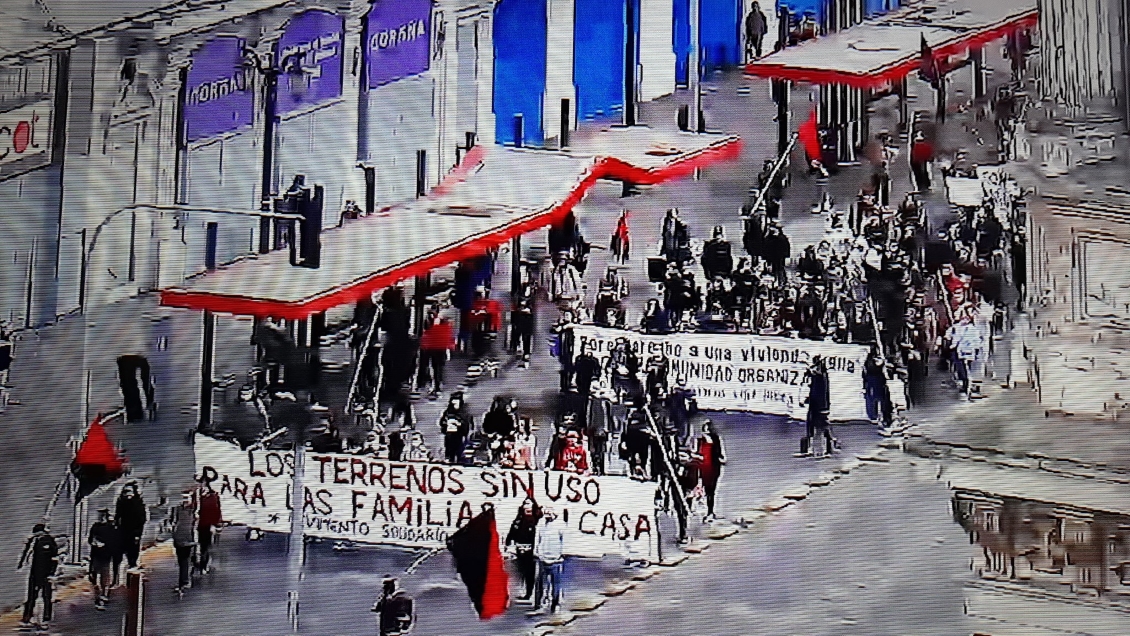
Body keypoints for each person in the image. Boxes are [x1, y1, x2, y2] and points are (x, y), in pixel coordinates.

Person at [19, 523, 59, 627]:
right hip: (34, 572)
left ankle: (46, 618)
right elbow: (28, 554)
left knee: (46, 596)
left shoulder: (49, 541)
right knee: (31, 596)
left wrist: (52, 573)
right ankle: (27, 617)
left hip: (46, 573)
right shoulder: (34, 542)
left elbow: (54, 559)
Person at [506, 498, 543, 603]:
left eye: (528, 504)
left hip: (530, 549)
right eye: (525, 504)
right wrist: (509, 542)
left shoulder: (536, 519)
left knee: (529, 572)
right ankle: (521, 591)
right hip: (519, 548)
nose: (526, 506)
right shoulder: (519, 518)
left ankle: (529, 593)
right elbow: (513, 530)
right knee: (520, 570)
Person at [800, 357, 835, 458]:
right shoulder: (816, 378)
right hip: (814, 405)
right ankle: (810, 447)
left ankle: (828, 447)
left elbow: (821, 393)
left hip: (820, 406)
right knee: (812, 426)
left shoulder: (822, 378)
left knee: (821, 427)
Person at [533, 508, 566, 614]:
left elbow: (565, 540)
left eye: (550, 512)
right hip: (542, 558)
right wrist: (536, 551)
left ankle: (555, 603)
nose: (547, 514)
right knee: (540, 583)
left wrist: (561, 554)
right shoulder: (541, 523)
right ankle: (539, 604)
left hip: (555, 560)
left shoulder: (561, 524)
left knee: (555, 583)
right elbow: (537, 538)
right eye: (546, 512)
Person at [693, 421, 726, 522]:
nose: (707, 434)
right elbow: (696, 453)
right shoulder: (700, 441)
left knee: (711, 491)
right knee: (706, 491)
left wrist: (721, 459)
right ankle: (706, 511)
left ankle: (710, 511)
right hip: (704, 469)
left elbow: (721, 454)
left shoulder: (716, 440)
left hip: (714, 469)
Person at [114, 481, 147, 583]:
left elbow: (142, 519)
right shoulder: (121, 502)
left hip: (134, 533)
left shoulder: (138, 503)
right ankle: (116, 579)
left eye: (129, 492)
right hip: (122, 531)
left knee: (132, 554)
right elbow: (117, 516)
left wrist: (137, 533)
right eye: (125, 492)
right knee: (118, 557)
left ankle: (131, 579)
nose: (127, 494)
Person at [417, 316, 454, 397]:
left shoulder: (433, 329)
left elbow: (426, 337)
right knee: (438, 368)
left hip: (430, 349)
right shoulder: (446, 329)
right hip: (440, 350)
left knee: (429, 366)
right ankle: (438, 386)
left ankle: (423, 384)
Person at [88, 508, 117, 609]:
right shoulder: (95, 527)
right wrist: (94, 542)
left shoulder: (111, 528)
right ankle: (98, 595)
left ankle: (104, 594)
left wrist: (104, 544)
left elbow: (114, 542)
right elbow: (90, 539)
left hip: (106, 556)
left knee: (105, 576)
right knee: (94, 577)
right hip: (95, 555)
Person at [170, 492, 197, 593]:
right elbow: (172, 522)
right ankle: (183, 581)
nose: (185, 501)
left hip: (188, 539)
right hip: (178, 539)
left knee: (185, 561)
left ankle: (184, 581)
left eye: (187, 498)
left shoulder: (193, 510)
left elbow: (195, 524)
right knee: (181, 562)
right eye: (184, 498)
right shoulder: (176, 510)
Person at [195, 480, 223, 574]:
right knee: (203, 546)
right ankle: (202, 564)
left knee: (205, 546)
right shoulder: (208, 497)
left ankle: (203, 564)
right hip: (202, 525)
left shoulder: (211, 498)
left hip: (206, 525)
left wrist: (217, 523)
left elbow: (217, 511)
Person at [439, 392, 473, 464]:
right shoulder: (447, 412)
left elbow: (467, 425)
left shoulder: (464, 413)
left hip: (459, 436)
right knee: (449, 452)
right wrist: (446, 425)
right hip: (449, 435)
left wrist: (459, 424)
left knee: (460, 452)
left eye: (457, 401)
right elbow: (442, 423)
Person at [483, 397, 518, 464]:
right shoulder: (489, 416)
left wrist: (502, 437)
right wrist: (492, 435)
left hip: (503, 440)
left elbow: (511, 431)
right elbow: (485, 429)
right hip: (493, 439)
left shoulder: (509, 417)